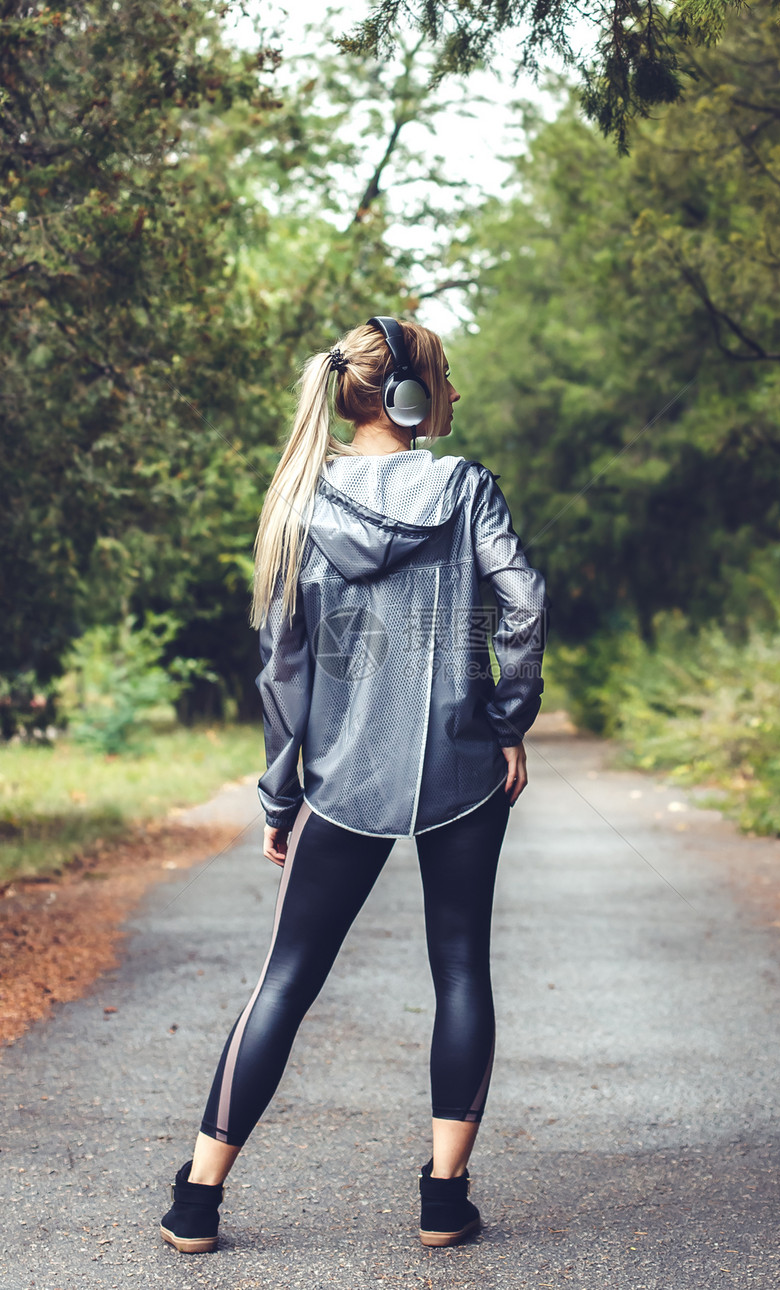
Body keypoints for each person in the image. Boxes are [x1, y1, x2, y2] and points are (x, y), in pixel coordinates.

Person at [159, 316, 550, 1254]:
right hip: (463, 770)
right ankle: (443, 1199)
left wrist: (281, 794)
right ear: (409, 398)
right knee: (460, 969)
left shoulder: (302, 502)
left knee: (286, 981)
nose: (455, 393)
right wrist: (506, 723)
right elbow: (524, 602)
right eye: (446, 378)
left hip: (343, 781)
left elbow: (283, 670)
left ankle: (199, 1201)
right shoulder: (465, 489)